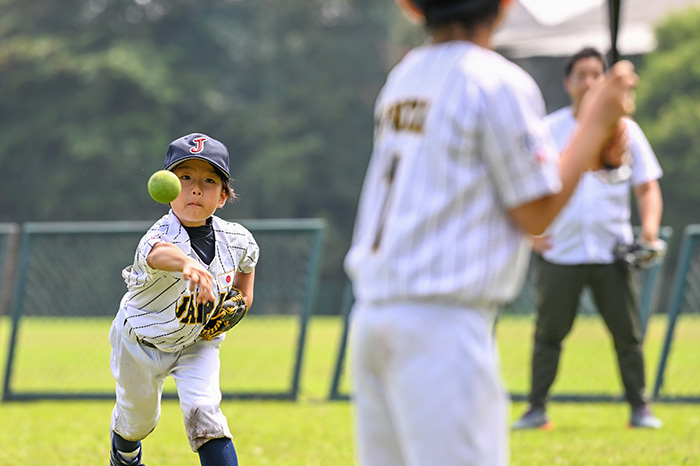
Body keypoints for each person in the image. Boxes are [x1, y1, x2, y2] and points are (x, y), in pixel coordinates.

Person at [343, 0, 639, 463]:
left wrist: (591, 147)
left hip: (373, 317)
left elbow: (477, 186)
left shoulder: (405, 75)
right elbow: (536, 210)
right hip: (441, 328)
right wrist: (595, 122)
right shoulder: (496, 80)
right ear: (501, 7)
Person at [512, 47, 664, 431]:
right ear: (568, 83)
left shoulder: (627, 131)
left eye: (598, 74)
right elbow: (521, 189)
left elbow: (647, 186)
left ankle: (640, 408)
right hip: (560, 251)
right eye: (582, 75)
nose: (590, 82)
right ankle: (536, 409)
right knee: (549, 334)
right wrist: (530, 235)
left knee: (627, 334)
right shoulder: (548, 129)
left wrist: (648, 230)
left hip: (612, 250)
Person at [109, 133, 259, 466]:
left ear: (222, 196)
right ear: (168, 189)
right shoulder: (158, 235)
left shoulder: (238, 239)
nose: (195, 188)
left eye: (209, 180)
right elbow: (158, 255)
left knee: (205, 413)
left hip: (198, 342)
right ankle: (124, 454)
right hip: (141, 342)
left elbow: (245, 277)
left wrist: (240, 306)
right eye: (185, 177)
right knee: (138, 422)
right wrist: (189, 264)